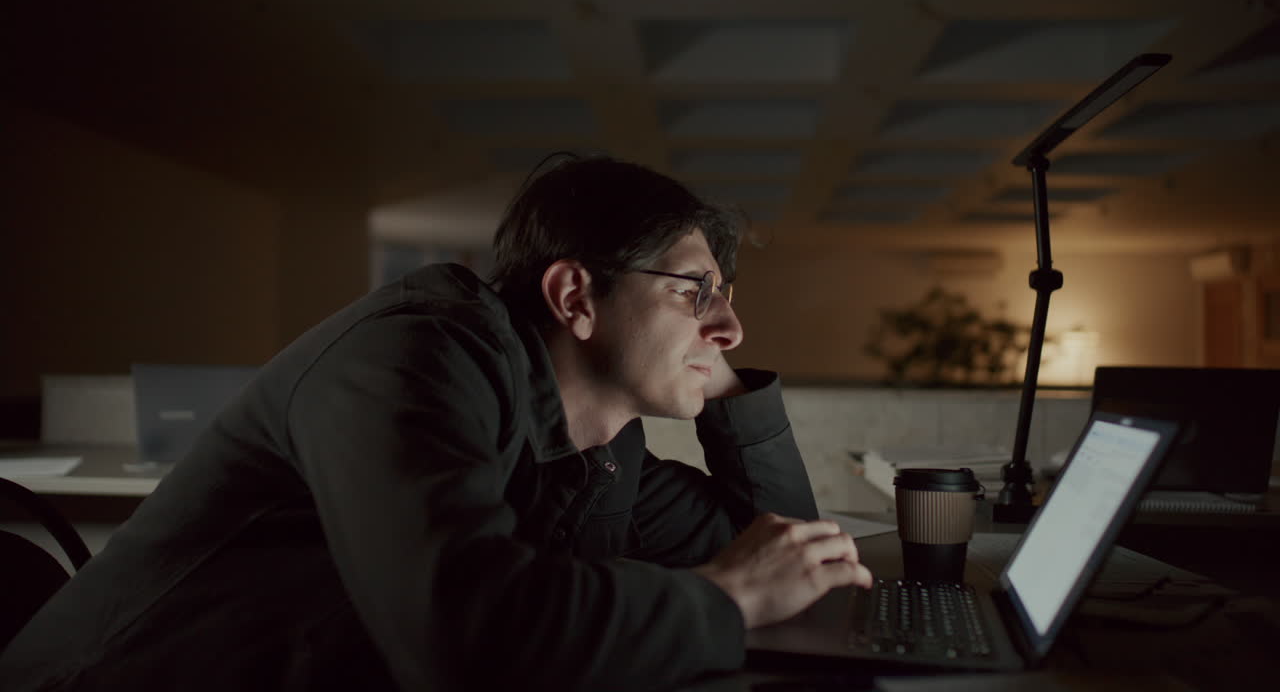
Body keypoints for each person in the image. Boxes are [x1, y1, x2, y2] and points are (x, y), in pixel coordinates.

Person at [0, 155, 872, 691]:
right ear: (576, 297)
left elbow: (784, 558)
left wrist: (722, 384)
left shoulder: (603, 449)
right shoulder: (415, 357)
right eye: (697, 293)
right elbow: (465, 637)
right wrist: (724, 601)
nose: (731, 329)